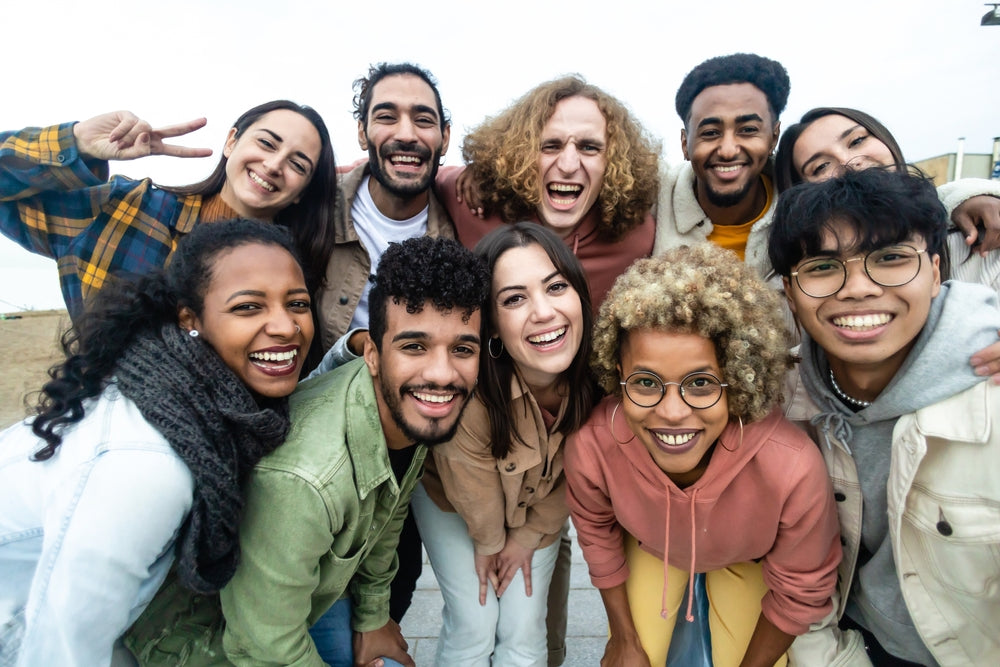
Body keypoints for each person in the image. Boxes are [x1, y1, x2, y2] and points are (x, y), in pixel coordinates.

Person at [125, 236, 490, 667]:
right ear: (371, 354)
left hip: (305, 593)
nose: (442, 374)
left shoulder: (409, 410)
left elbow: (387, 517)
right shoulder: (304, 481)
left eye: (462, 349)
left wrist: (374, 616)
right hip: (208, 644)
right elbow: (265, 647)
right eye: (414, 346)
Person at [0, 219, 312, 666]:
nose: (285, 326)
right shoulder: (145, 468)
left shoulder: (187, 395)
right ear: (190, 319)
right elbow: (60, 649)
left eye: (297, 303)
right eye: (248, 307)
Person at [565, 243, 842, 667]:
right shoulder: (594, 445)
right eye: (644, 382)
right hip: (654, 548)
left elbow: (801, 590)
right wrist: (623, 638)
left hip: (746, 560)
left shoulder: (791, 467)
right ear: (618, 374)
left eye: (700, 384)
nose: (672, 413)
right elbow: (597, 535)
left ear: (738, 375)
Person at [769, 168, 1000, 666]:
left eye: (891, 258)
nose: (857, 288)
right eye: (823, 267)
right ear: (790, 291)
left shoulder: (991, 395)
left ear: (937, 272)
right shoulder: (780, 399)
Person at [0, 101, 337, 346]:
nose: (274, 164)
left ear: (301, 193)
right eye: (266, 143)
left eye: (298, 164)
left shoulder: (294, 273)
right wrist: (76, 143)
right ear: (231, 141)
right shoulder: (125, 210)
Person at [412, 222, 598, 665]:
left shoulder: (602, 376)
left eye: (556, 287)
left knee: (523, 627)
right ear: (491, 326)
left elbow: (578, 481)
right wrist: (493, 544)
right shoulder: (470, 390)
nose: (544, 312)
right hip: (453, 502)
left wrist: (529, 536)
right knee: (475, 622)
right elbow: (471, 492)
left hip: (539, 505)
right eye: (514, 298)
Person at [438, 74, 660, 310]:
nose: (568, 165)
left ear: (616, 162)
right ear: (519, 154)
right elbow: (417, 178)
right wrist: (479, 171)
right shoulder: (472, 200)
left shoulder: (638, 237)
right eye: (551, 146)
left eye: (589, 148)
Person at [773, 106, 1000, 291]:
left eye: (857, 141)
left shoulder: (981, 243)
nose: (849, 162)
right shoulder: (799, 283)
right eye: (821, 166)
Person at [317, 62, 455, 355]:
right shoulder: (316, 205)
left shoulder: (462, 228)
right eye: (387, 117)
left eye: (423, 120)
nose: (406, 134)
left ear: (445, 138)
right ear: (362, 132)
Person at [653, 53, 787, 276]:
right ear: (685, 144)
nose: (727, 151)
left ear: (774, 137)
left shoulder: (803, 208)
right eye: (710, 133)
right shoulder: (651, 203)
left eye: (748, 130)